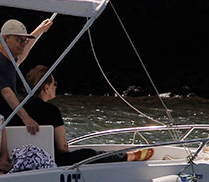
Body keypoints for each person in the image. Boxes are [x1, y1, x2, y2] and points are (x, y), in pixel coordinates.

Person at [24, 65, 153, 166]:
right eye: (54, 84)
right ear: (46, 88)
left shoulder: (19, 111)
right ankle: (129, 156)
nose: (55, 87)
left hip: (23, 161)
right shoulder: (51, 111)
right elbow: (62, 148)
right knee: (89, 154)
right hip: (54, 162)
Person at [0, 18, 52, 135]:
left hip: (4, 117)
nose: (23, 44)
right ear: (5, 39)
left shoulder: (7, 59)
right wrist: (26, 118)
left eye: (25, 40)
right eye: (19, 40)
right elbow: (7, 93)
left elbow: (23, 53)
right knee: (48, 112)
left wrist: (40, 30)